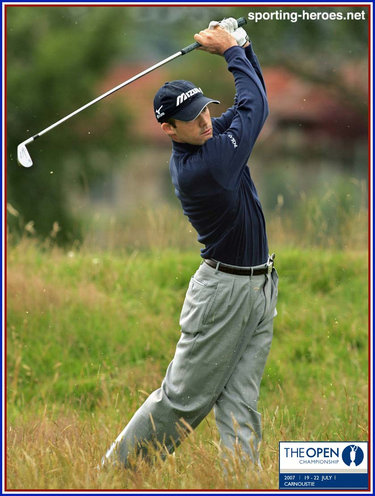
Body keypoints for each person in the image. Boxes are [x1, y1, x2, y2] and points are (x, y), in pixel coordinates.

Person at [103, 18, 278, 470]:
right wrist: (230, 53)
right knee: (181, 401)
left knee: (240, 401)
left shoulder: (207, 138)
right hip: (224, 294)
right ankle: (113, 473)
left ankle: (240, 480)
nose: (205, 121)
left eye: (205, 111)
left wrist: (242, 44)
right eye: (192, 118)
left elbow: (253, 102)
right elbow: (254, 107)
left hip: (257, 288)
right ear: (168, 129)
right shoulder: (206, 167)